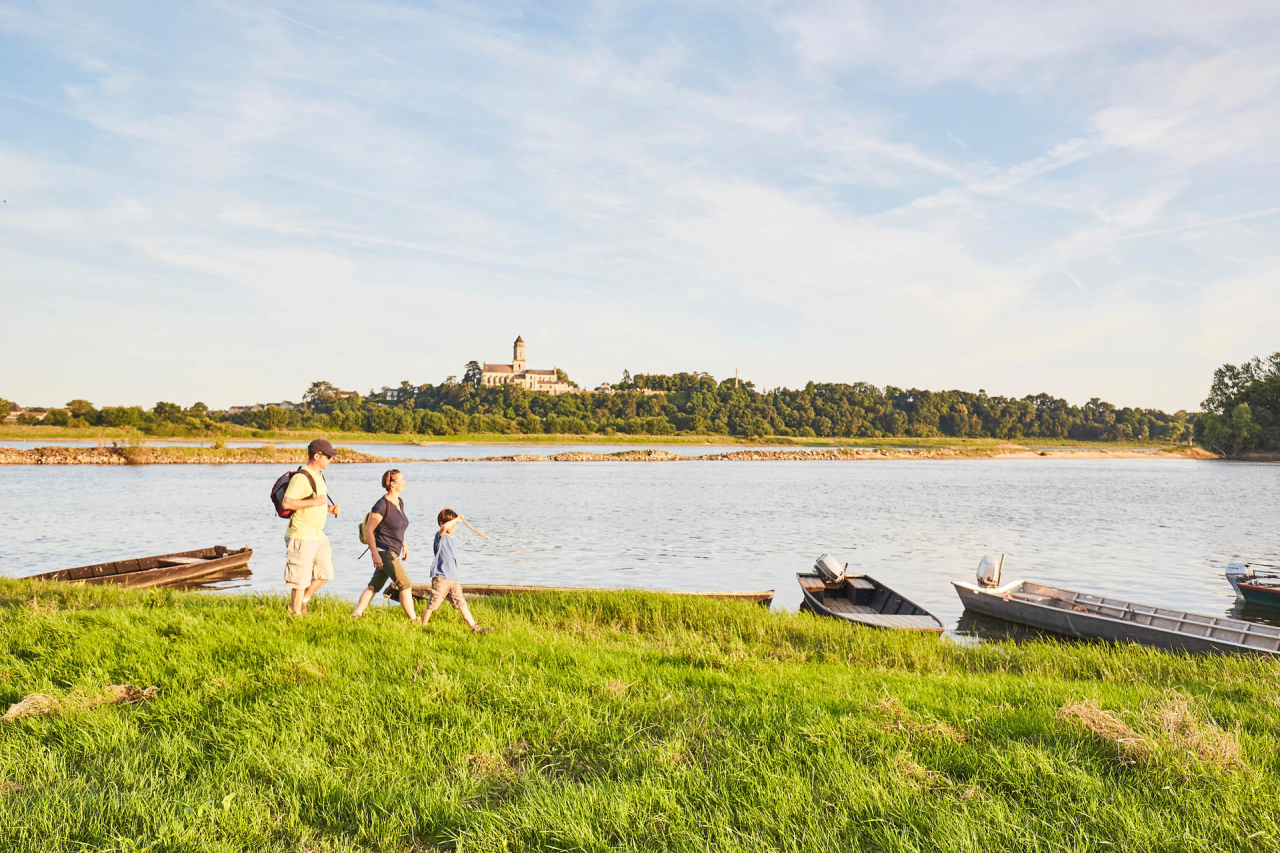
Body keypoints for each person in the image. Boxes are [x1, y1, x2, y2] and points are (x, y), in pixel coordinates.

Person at [282, 438, 341, 616]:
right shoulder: (301, 477)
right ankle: (296, 614)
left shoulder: (319, 475)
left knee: (325, 573)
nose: (331, 459)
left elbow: (314, 502)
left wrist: (328, 509)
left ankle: (303, 601)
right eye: (329, 456)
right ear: (317, 456)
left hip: (318, 535)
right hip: (301, 534)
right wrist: (316, 501)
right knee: (299, 579)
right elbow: (287, 503)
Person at [351, 469, 415, 620]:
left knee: (374, 586)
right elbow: (369, 530)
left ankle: (356, 615)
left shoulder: (399, 502)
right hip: (384, 551)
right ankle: (414, 619)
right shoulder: (381, 505)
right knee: (405, 584)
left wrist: (404, 544)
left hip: (393, 550)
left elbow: (397, 527)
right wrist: (375, 554)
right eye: (401, 480)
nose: (405, 482)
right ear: (392, 484)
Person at [420, 508, 492, 633]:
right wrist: (457, 519)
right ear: (442, 523)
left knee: (462, 604)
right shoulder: (440, 536)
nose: (454, 526)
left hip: (453, 579)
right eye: (452, 524)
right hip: (441, 579)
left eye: (456, 525)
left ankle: (475, 628)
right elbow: (443, 529)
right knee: (432, 605)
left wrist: (457, 521)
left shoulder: (451, 538)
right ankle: (422, 626)